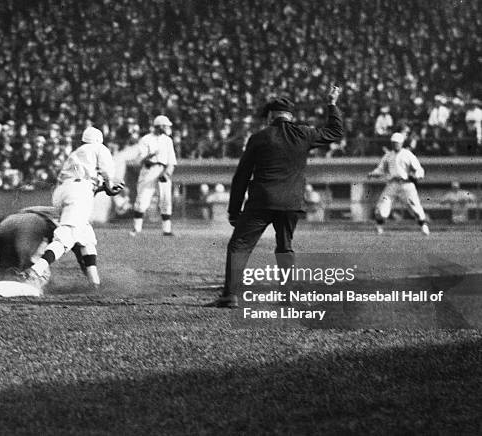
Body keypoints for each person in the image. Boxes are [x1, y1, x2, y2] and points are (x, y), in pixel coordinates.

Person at [206, 86, 343, 308]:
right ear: (291, 116)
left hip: (261, 201)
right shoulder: (304, 134)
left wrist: (234, 211)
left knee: (239, 245)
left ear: (271, 116)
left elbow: (241, 176)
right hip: (291, 202)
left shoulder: (259, 137)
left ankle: (230, 295)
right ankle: (286, 296)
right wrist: (332, 103)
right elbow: (335, 132)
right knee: (285, 246)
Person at [22, 126, 123, 292]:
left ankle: (94, 283)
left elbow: (82, 184)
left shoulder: (77, 153)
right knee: (67, 236)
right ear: (99, 139)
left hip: (62, 192)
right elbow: (107, 172)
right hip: (79, 192)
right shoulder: (99, 148)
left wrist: (103, 187)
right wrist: (110, 186)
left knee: (86, 237)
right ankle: (35, 271)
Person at [368, 132, 430, 235]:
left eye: (397, 143)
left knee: (414, 206)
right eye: (394, 143)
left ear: (401, 143)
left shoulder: (408, 154)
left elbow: (418, 169)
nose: (395, 144)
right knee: (383, 205)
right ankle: (379, 227)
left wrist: (418, 175)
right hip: (392, 184)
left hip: (406, 184)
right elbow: (380, 169)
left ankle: (423, 226)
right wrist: (372, 174)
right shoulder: (388, 155)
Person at [130, 115, 177, 236]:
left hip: (163, 169)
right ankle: (137, 229)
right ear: (160, 126)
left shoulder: (167, 140)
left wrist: (166, 173)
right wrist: (150, 155)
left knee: (165, 199)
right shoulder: (146, 139)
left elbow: (172, 161)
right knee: (143, 198)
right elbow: (141, 159)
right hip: (149, 169)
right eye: (166, 126)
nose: (167, 128)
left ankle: (167, 230)